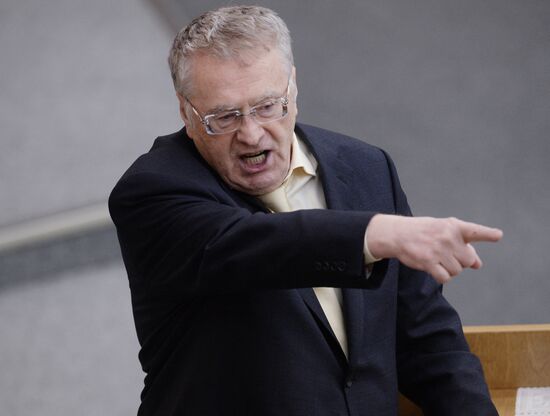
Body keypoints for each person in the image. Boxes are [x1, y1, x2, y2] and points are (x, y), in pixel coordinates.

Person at [109, 5, 503, 416]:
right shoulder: (152, 191)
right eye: (224, 117)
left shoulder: (367, 169)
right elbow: (253, 246)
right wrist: (374, 235)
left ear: (293, 87)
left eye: (267, 106)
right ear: (186, 113)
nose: (251, 133)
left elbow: (425, 338)